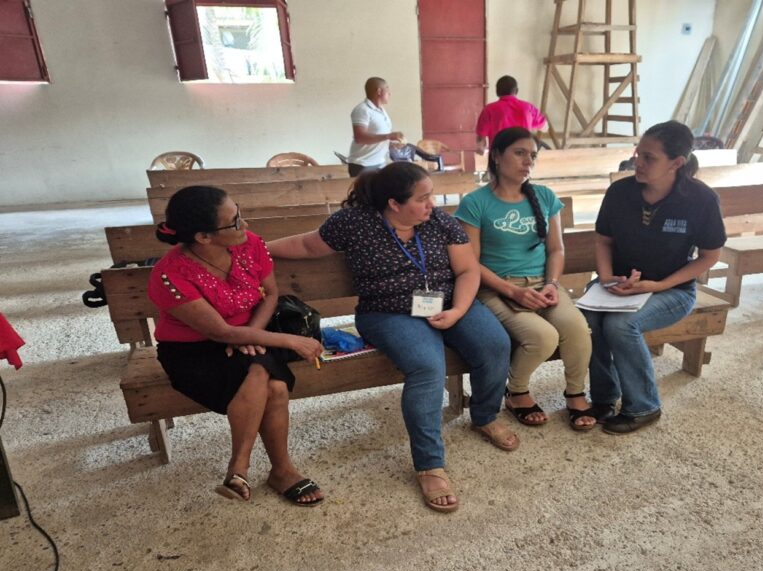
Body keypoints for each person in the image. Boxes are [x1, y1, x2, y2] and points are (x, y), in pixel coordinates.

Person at [268, 162, 518, 514]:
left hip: (449, 302)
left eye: (431, 196)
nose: (432, 204)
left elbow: (466, 269)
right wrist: (257, 247)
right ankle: (430, 465)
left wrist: (459, 310)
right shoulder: (354, 223)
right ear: (394, 204)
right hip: (388, 313)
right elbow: (308, 246)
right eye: (423, 198)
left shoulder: (438, 222)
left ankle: (485, 415)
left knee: (495, 344)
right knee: (427, 368)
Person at [149, 186, 326, 506]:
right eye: (234, 222)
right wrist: (289, 340)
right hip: (194, 350)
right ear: (203, 237)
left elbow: (270, 295)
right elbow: (220, 333)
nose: (244, 225)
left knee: (264, 374)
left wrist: (252, 335)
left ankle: (240, 470)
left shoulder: (250, 244)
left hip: (250, 335)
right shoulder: (169, 275)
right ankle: (280, 471)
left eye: (239, 214)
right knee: (268, 380)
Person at [582, 120, 727, 434]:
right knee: (588, 320)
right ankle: (605, 399)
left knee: (621, 325)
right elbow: (603, 240)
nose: (639, 162)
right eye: (638, 153)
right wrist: (606, 278)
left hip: (670, 290)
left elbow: (709, 256)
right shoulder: (620, 192)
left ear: (677, 163)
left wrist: (658, 285)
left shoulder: (700, 200)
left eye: (649, 157)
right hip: (616, 285)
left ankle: (644, 406)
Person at [455, 127, 596, 431]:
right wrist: (512, 292)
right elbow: (470, 263)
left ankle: (575, 394)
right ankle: (517, 392)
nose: (528, 161)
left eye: (532, 155)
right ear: (496, 156)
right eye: (519, 153)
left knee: (578, 329)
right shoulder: (475, 202)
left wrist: (551, 283)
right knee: (542, 337)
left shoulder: (544, 196)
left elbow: (556, 249)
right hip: (496, 288)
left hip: (543, 284)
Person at [347, 77, 405, 176]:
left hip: (379, 163)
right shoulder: (362, 110)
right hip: (362, 165)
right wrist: (388, 136)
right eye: (387, 89)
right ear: (379, 91)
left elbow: (378, 136)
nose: (390, 93)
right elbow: (360, 138)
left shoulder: (381, 110)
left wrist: (391, 144)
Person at [475, 76, 547, 155]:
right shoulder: (529, 108)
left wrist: (482, 150)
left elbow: (481, 142)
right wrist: (530, 124)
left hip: (500, 156)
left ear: (497, 91)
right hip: (525, 155)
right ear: (516, 91)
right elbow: (545, 128)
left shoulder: (489, 109)